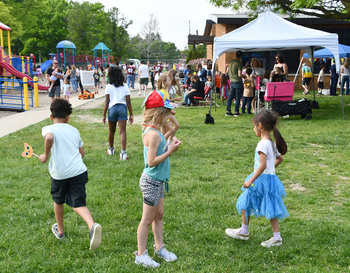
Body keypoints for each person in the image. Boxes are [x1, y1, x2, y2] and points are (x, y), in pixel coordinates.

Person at [39, 99, 102, 250]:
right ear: (68, 117)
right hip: (78, 171)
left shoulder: (48, 128)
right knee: (78, 204)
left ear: (51, 116)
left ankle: (60, 231)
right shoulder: (74, 130)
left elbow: (49, 138)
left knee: (58, 200)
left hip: (59, 174)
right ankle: (92, 225)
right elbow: (82, 153)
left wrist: (45, 156)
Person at [225, 109, 289, 248]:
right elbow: (280, 159)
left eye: (254, 126)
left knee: (246, 202)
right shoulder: (271, 143)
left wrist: (251, 180)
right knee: (269, 206)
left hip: (260, 180)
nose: (253, 129)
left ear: (260, 125)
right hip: (270, 179)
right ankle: (272, 236)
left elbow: (262, 165)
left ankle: (245, 231)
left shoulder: (262, 144)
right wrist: (270, 170)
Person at [135, 91, 181, 268]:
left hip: (158, 181)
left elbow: (171, 128)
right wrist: (170, 151)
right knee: (147, 220)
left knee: (159, 215)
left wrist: (170, 117)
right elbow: (151, 162)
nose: (169, 115)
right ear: (158, 114)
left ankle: (159, 247)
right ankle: (141, 255)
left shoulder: (154, 130)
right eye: (166, 113)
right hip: (151, 181)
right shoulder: (153, 134)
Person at [102, 67, 134, 160]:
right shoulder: (125, 86)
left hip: (112, 109)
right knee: (122, 132)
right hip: (122, 108)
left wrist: (104, 115)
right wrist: (131, 114)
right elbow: (128, 102)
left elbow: (107, 101)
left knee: (111, 131)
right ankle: (123, 153)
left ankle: (111, 149)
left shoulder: (108, 86)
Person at [226, 50, 244, 117]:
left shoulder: (230, 62)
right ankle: (236, 112)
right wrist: (244, 76)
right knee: (238, 97)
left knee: (230, 97)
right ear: (241, 56)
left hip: (232, 81)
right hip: (238, 81)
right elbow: (239, 74)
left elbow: (227, 71)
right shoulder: (239, 63)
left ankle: (228, 111)